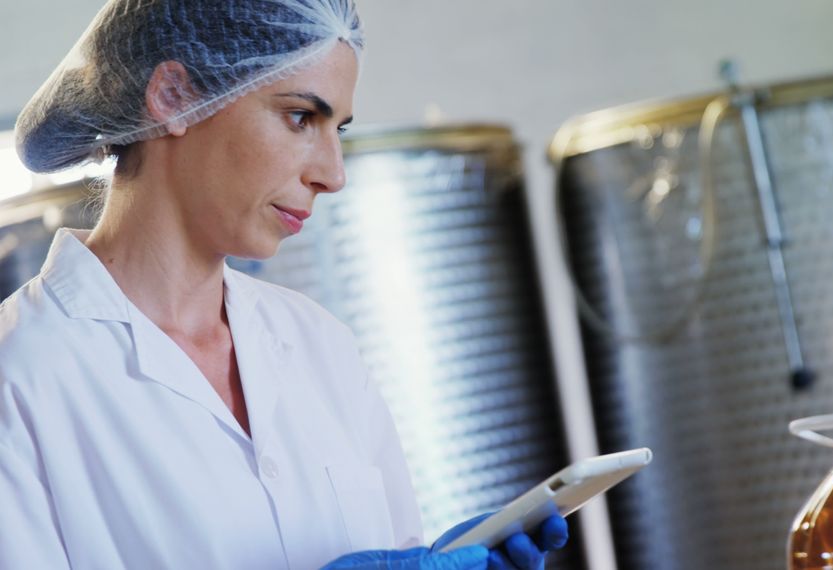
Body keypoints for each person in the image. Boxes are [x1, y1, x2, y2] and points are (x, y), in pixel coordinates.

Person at [0, 0, 567, 568]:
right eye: (301, 117)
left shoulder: (320, 344)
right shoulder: (21, 377)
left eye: (338, 129)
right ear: (174, 96)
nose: (334, 174)